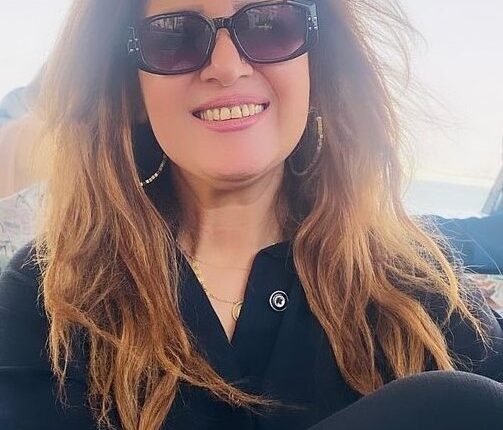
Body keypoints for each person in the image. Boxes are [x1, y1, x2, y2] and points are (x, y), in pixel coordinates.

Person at [0, 1, 502, 430]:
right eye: (174, 35)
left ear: (317, 67)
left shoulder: (419, 288)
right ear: (129, 88)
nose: (226, 66)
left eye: (268, 24)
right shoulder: (49, 298)